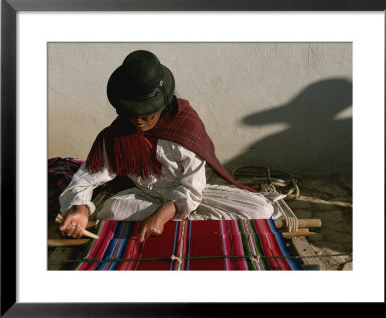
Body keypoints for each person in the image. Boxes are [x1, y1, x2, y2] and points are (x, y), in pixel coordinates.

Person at [59, 50, 281, 243]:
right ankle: (186, 228)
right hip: (145, 197)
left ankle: (170, 225)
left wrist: (162, 216)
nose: (139, 121)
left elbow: (193, 186)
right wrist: (80, 210)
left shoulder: (186, 127)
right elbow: (87, 177)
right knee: (111, 211)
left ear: (162, 105)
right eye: (133, 114)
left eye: (148, 114)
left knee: (262, 210)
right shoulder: (117, 135)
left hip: (191, 198)